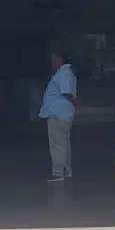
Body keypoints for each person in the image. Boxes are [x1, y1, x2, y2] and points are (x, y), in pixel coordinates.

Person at [39, 49, 78, 181]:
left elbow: (66, 92)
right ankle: (66, 170)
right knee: (64, 143)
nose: (52, 63)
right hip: (62, 114)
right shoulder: (67, 73)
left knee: (57, 145)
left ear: (60, 60)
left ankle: (57, 172)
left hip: (58, 115)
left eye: (54, 60)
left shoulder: (63, 73)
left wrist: (75, 102)